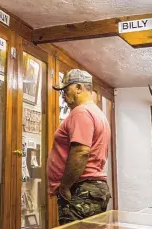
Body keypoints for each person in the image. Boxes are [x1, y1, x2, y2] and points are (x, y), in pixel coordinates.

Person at [47, 69, 111, 225]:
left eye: (66, 89)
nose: (62, 95)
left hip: (80, 190)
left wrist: (65, 187)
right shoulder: (97, 113)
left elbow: (81, 152)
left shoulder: (80, 112)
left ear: (79, 88)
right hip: (93, 189)